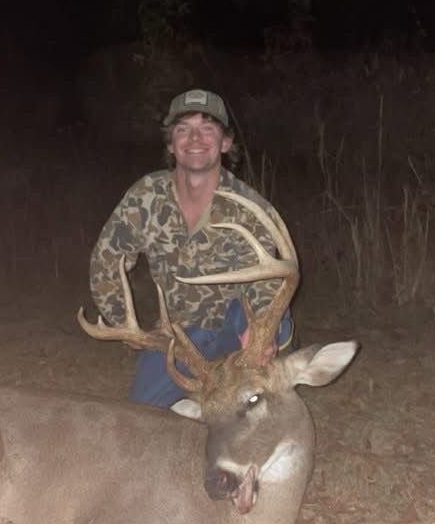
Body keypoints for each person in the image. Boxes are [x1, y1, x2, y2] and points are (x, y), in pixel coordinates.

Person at [89, 88, 294, 407]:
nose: (195, 138)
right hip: (179, 338)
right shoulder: (146, 197)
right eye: (183, 129)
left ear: (225, 142)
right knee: (143, 414)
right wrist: (128, 329)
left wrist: (261, 336)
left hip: (233, 331)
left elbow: (266, 285)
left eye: (207, 128)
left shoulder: (250, 207)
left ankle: (254, 390)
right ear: (171, 144)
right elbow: (106, 265)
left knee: (254, 395)